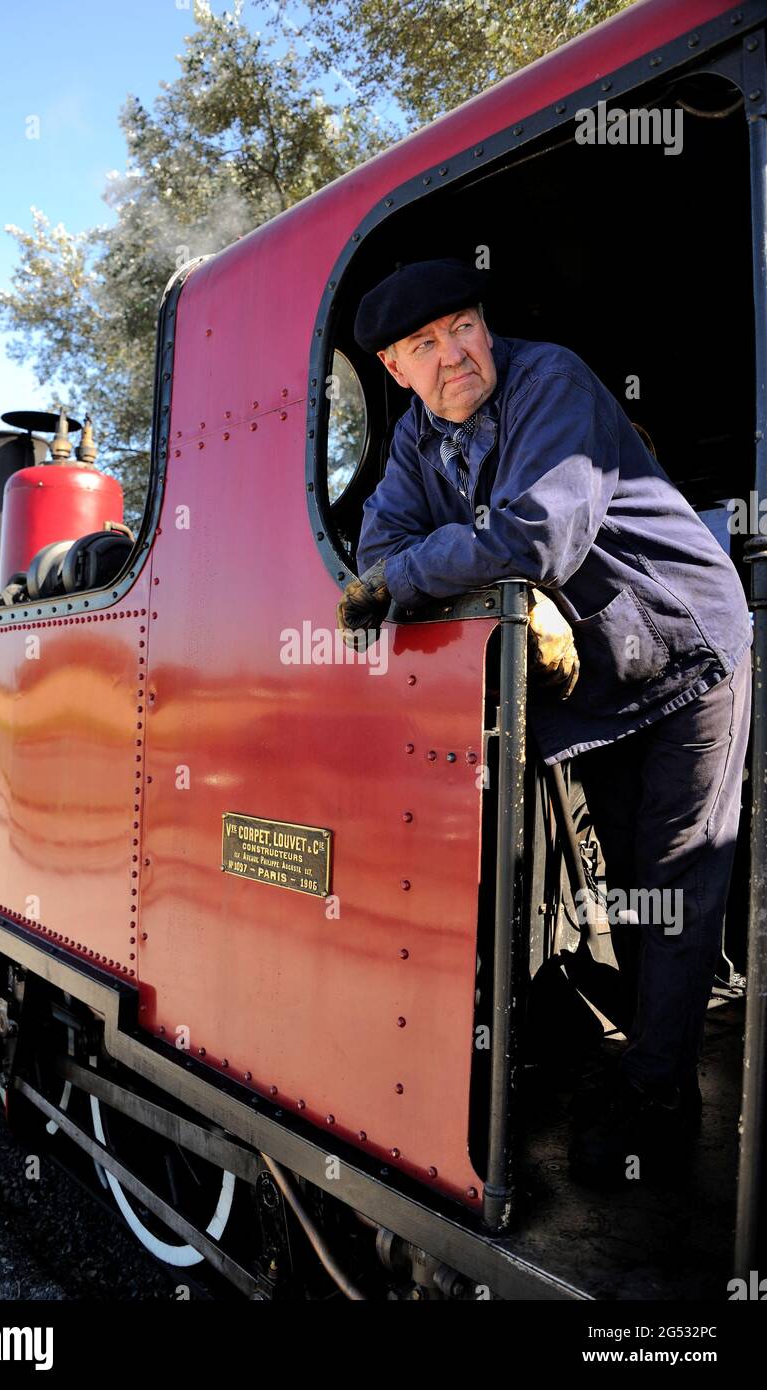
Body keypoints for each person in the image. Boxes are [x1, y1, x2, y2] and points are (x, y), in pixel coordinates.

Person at [337, 257, 752, 1186]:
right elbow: (374, 554)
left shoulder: (551, 379)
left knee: (678, 873)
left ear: (486, 326)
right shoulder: (413, 439)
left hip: (685, 646)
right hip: (607, 679)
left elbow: (536, 537)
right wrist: (495, 578)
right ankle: (651, 1053)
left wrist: (494, 573)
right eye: (423, 346)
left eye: (461, 329)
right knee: (633, 882)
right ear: (396, 371)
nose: (452, 357)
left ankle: (657, 1099)